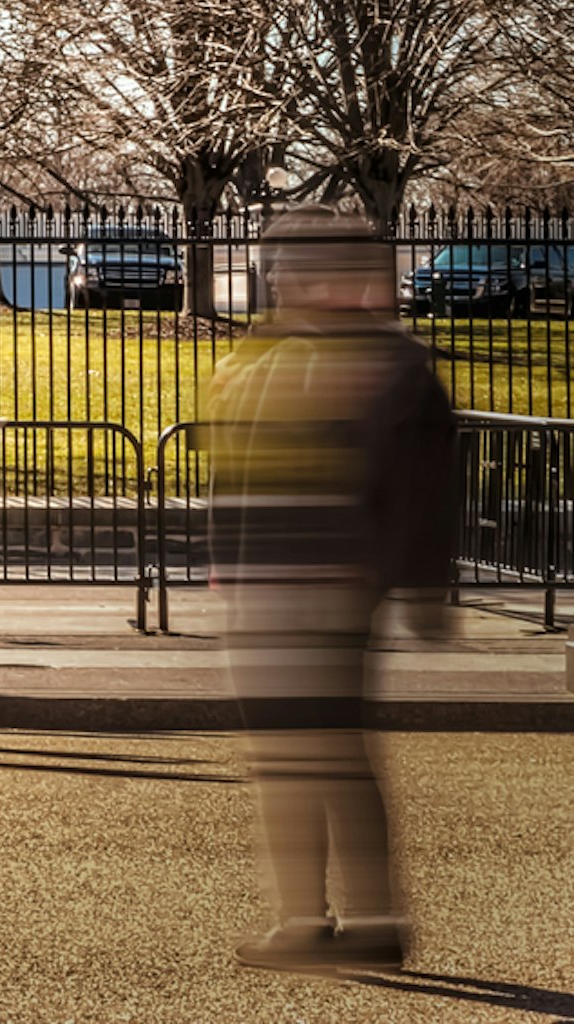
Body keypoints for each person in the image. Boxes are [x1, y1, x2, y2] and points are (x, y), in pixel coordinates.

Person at [208, 208, 459, 975]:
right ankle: (338, 918)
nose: (276, 277)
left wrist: (414, 582)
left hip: (319, 585)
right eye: (274, 263)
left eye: (288, 263)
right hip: (276, 582)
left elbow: (424, 485)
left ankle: (331, 920)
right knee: (308, 754)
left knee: (310, 754)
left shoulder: (380, 363)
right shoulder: (282, 356)